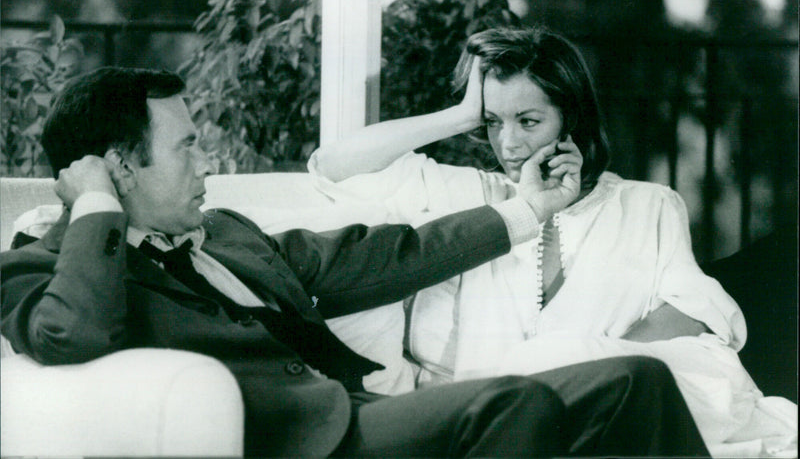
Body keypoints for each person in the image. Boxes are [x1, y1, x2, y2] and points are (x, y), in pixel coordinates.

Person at [0, 66, 711, 457]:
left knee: (634, 380)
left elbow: (387, 256)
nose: (204, 160)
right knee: (511, 402)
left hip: (363, 415)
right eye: (187, 145)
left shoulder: (226, 235)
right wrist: (95, 206)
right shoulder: (37, 269)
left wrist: (528, 211)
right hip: (299, 442)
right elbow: (74, 336)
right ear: (121, 166)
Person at [309, 26, 798, 457]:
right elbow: (331, 166)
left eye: (528, 121)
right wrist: (460, 116)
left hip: (599, 421)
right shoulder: (465, 194)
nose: (509, 144)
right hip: (480, 432)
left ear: (571, 118)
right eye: (493, 122)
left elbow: (692, 310)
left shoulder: (647, 204)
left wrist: (582, 374)